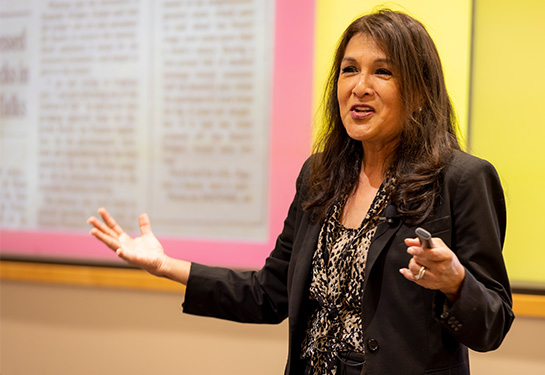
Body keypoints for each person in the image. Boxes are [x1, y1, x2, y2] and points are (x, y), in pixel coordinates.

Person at [88, 9, 514, 375]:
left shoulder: (461, 179)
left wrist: (456, 283)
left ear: (420, 91)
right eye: (349, 69)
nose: (359, 86)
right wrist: (165, 265)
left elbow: (492, 325)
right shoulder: (321, 175)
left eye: (382, 71)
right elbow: (268, 294)